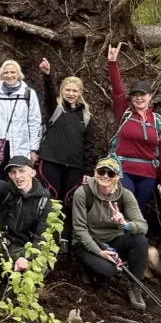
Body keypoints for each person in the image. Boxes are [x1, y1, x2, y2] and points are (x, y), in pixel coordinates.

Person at [72, 157, 149, 311]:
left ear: (117, 177)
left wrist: (125, 224)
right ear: (95, 172)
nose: (105, 176)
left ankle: (135, 286)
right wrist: (99, 252)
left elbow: (143, 226)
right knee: (108, 271)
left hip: (114, 241)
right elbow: (80, 229)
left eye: (111, 173)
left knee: (140, 241)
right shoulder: (83, 193)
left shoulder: (125, 195)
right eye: (101, 171)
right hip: (88, 243)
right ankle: (90, 269)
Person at [38, 58, 95, 249]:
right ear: (62, 91)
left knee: (67, 202)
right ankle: (45, 237)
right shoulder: (55, 109)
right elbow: (49, 94)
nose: (70, 94)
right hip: (51, 161)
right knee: (50, 199)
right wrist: (47, 75)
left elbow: (89, 145)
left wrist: (87, 171)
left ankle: (64, 238)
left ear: (80, 93)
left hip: (75, 166)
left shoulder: (86, 116)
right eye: (67, 90)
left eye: (74, 91)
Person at [0, 156, 54, 288]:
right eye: (13, 173)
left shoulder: (44, 202)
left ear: (32, 172)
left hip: (25, 249)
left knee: (30, 281)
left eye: (22, 171)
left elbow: (42, 238)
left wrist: (27, 258)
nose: (18, 176)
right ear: (9, 175)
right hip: (5, 243)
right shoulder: (9, 191)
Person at [107, 43, 161, 214]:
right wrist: (113, 63)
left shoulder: (159, 121)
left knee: (139, 211)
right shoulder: (125, 114)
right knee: (125, 205)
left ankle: (135, 240)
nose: (138, 98)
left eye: (142, 95)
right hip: (123, 169)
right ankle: (118, 239)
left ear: (150, 97)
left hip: (148, 173)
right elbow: (117, 91)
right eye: (135, 95)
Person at [0, 60, 42, 172]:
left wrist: (34, 149)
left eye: (13, 72)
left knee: (17, 176)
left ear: (18, 74)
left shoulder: (28, 93)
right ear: (2, 75)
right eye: (6, 72)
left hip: (21, 145)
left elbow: (34, 123)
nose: (9, 75)